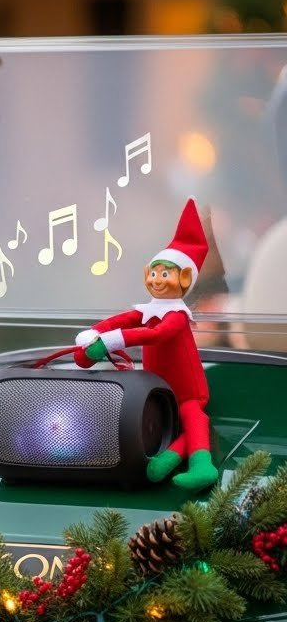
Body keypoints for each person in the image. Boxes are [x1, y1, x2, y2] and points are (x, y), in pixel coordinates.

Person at [74, 197, 218, 493]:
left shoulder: (177, 316)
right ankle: (167, 457)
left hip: (189, 392)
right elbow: (123, 319)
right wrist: (94, 333)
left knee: (193, 416)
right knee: (167, 424)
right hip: (158, 390)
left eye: (165, 274)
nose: (157, 280)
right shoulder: (149, 309)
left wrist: (111, 341)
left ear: (184, 278)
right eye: (153, 273)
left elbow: (158, 335)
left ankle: (202, 466)